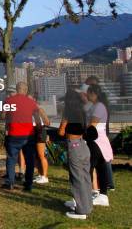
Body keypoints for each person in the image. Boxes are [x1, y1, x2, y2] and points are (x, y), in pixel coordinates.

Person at [59, 88, 92, 220]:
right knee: (85, 178)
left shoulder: (67, 112)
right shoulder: (83, 111)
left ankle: (81, 211)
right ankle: (86, 205)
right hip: (83, 145)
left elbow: (61, 132)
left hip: (74, 146)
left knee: (77, 179)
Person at [1, 82, 37, 191]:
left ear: (17, 89)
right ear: (25, 90)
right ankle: (28, 184)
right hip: (28, 135)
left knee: (11, 159)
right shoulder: (31, 102)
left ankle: (10, 183)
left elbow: (2, 116)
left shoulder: (9, 101)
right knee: (29, 160)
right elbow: (37, 117)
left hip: (14, 134)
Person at [85, 76, 115, 191]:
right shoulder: (96, 106)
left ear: (93, 94)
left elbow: (93, 124)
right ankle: (99, 190)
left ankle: (95, 190)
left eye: (88, 93)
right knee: (97, 166)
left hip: (96, 140)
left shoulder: (98, 107)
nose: (86, 95)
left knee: (93, 166)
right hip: (95, 138)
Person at [32, 93, 50, 184]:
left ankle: (45, 176)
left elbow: (47, 122)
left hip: (39, 131)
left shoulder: (39, 109)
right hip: (32, 132)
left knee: (41, 155)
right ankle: (40, 174)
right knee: (35, 156)